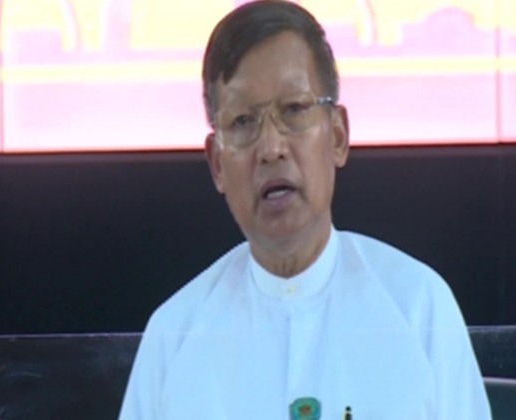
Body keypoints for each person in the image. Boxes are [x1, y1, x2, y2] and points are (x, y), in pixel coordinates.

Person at [119, 1, 492, 418]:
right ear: (218, 164)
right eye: (242, 122)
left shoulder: (418, 307)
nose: (271, 148)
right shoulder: (174, 337)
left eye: (294, 110)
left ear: (338, 136)